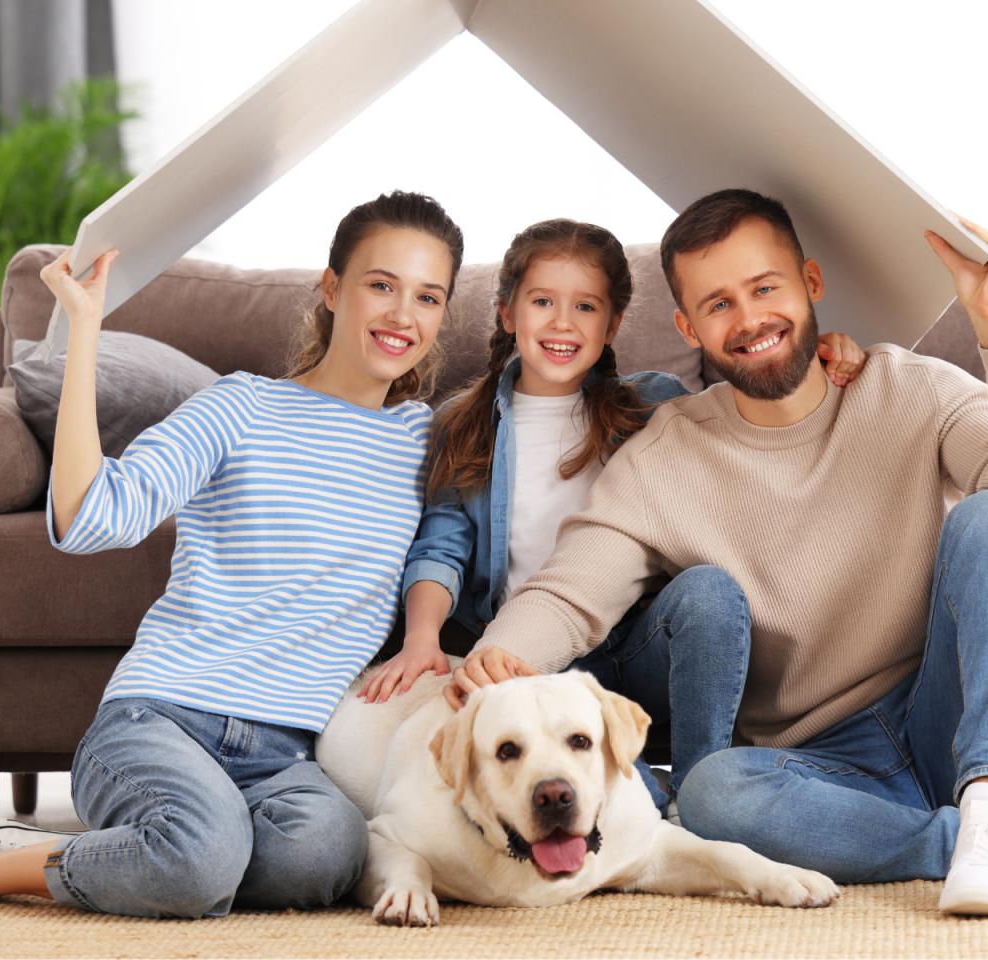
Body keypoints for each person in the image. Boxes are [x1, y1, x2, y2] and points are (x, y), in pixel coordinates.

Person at [439, 188, 988, 918]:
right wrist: (495, 662)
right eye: (718, 304)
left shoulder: (912, 389)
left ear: (811, 282)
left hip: (943, 712)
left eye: (765, 287)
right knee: (711, 793)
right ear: (688, 327)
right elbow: (571, 591)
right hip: (816, 768)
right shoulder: (662, 457)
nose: (749, 320)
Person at [0, 192, 465, 918]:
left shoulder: (424, 442)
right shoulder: (240, 407)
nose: (403, 314)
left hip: (287, 755)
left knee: (326, 857)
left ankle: (169, 847)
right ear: (333, 288)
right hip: (161, 718)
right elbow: (92, 517)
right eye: (381, 284)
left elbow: (448, 544)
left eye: (427, 296)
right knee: (200, 860)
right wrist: (83, 332)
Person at [359, 218, 867, 810]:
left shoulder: (654, 404)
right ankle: (655, 797)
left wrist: (823, 351)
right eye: (542, 302)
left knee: (708, 590)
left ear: (613, 324)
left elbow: (754, 392)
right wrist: (421, 637)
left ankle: (709, 782)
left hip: (640, 648)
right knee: (630, 805)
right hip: (537, 661)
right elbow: (440, 548)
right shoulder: (461, 422)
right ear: (507, 313)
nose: (562, 323)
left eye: (586, 307)